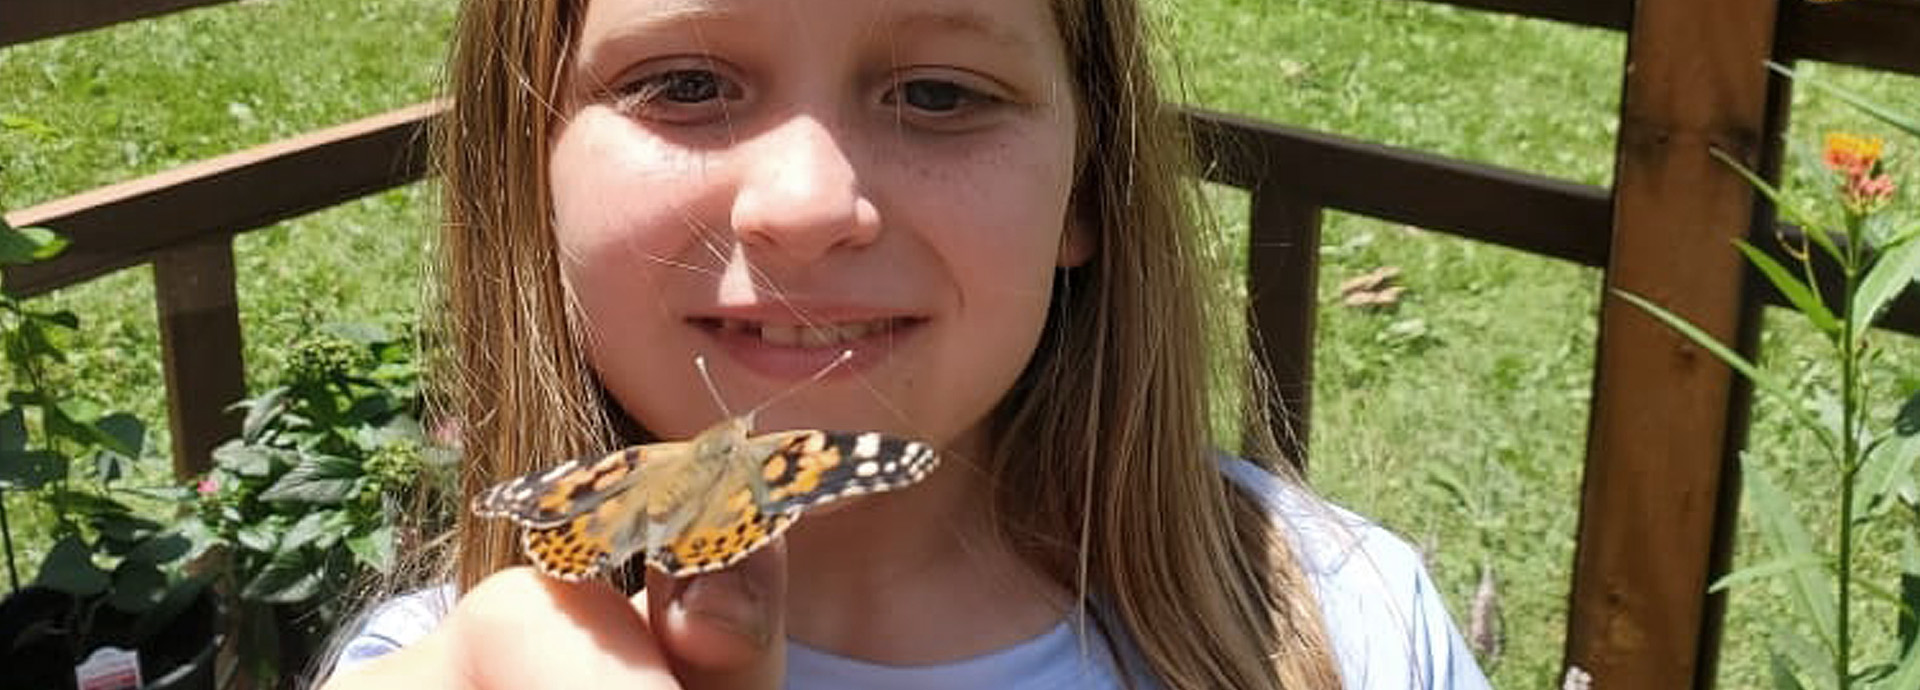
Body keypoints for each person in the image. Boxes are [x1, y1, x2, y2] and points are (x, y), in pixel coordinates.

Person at [321, 0, 1492, 687]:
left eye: (940, 95)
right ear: (532, 182)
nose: (806, 202)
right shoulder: (450, 667)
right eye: (683, 83)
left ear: (1086, 189)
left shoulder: (1351, 622)